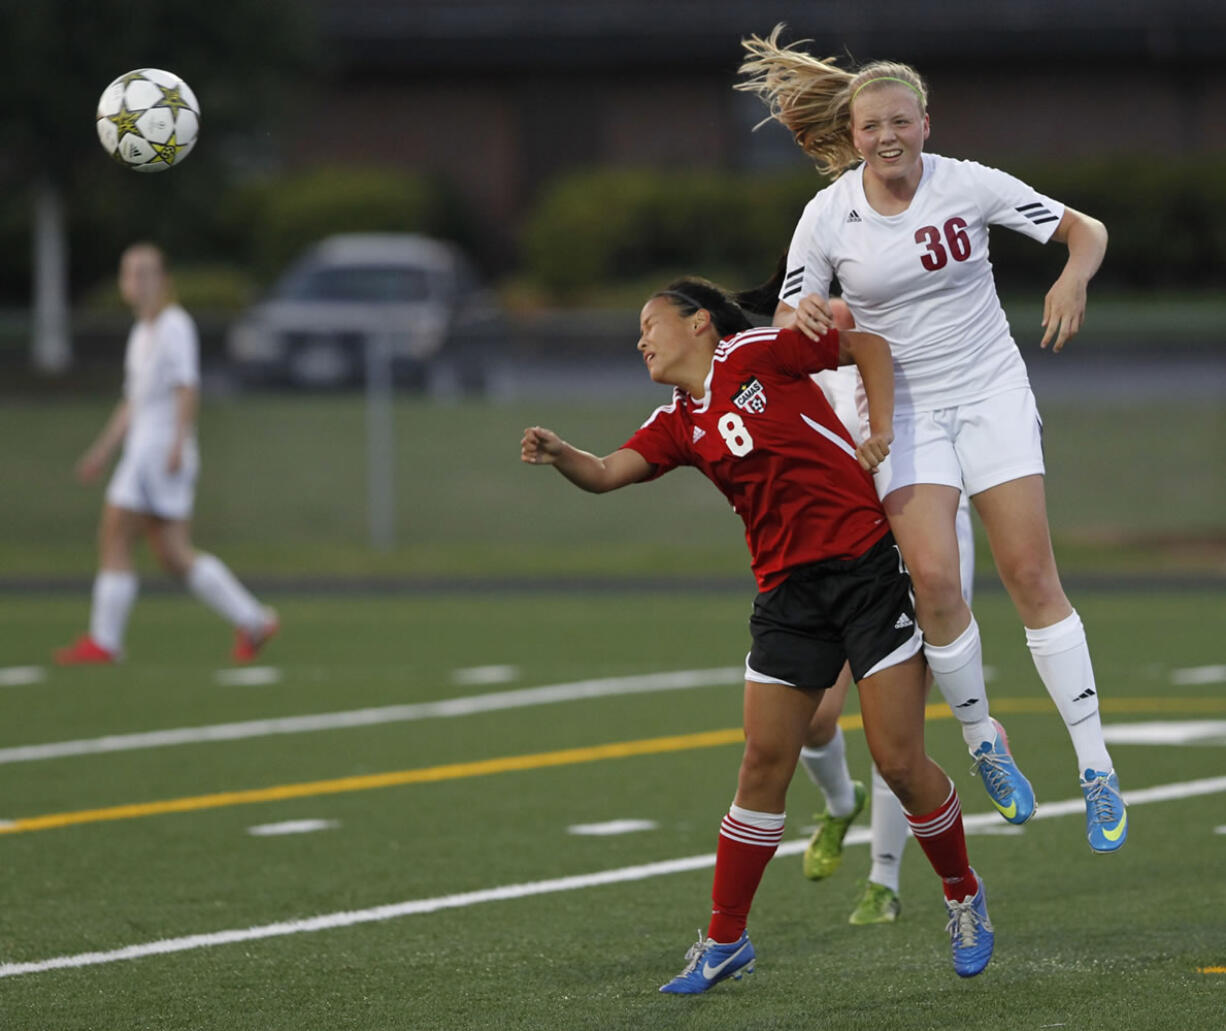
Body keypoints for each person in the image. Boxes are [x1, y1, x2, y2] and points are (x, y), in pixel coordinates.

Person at [522, 277, 996, 993]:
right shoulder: (679, 418)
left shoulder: (759, 352)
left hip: (868, 572)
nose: (642, 339)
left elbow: (866, 345)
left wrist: (881, 432)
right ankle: (724, 940)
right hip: (787, 596)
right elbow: (608, 470)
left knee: (898, 761)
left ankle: (962, 891)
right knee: (761, 765)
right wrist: (563, 455)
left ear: (701, 323)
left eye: (651, 323)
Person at [737, 26, 1127, 853]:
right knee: (937, 585)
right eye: (872, 125)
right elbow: (787, 315)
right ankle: (987, 743)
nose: (888, 136)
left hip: (988, 392)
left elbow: (1083, 229)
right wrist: (801, 313)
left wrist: (1072, 274)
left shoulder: (968, 185)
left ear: (926, 122)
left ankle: (1096, 766)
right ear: (852, 136)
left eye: (901, 121)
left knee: (1030, 573)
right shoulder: (827, 214)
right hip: (904, 413)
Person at [796, 299, 979, 925]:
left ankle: (884, 880)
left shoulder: (916, 365)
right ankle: (839, 801)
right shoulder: (805, 370)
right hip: (839, 567)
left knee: (896, 741)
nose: (832, 308)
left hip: (913, 559)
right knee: (814, 718)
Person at [55, 243, 278, 666]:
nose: (136, 281)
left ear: (164, 281)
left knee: (115, 531)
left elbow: (187, 387)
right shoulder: (141, 334)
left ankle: (105, 641)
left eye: (145, 272)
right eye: (129, 273)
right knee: (174, 555)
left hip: (157, 454)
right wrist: (102, 450)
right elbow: (132, 403)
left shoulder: (175, 325)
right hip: (145, 451)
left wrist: (178, 443)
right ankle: (253, 619)